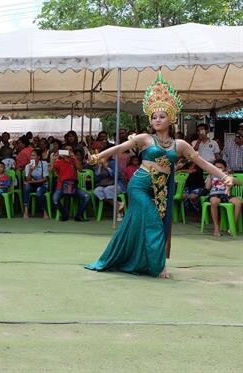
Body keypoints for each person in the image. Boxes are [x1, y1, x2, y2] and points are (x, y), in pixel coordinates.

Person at [85, 73, 235, 278]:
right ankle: (157, 266)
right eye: (154, 117)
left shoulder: (179, 145)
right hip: (139, 185)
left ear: (171, 118)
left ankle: (151, 263)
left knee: (151, 224)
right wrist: (97, 157)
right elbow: (120, 147)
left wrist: (224, 175)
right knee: (154, 222)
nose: (157, 120)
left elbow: (202, 163)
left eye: (162, 116)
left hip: (161, 190)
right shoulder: (145, 138)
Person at [205, 159, 242, 237]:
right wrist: (209, 175)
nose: (218, 169)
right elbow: (207, 187)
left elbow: (239, 182)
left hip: (226, 195)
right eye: (216, 167)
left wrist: (231, 178)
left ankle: (232, 226)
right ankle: (216, 227)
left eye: (220, 167)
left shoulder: (227, 175)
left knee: (238, 202)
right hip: (215, 194)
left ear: (224, 167)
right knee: (214, 202)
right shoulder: (211, 175)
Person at [22, 149, 49, 218]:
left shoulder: (44, 164)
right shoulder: (28, 166)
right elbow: (27, 179)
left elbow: (45, 179)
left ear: (39, 157)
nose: (31, 157)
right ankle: (26, 211)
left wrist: (34, 181)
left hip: (42, 185)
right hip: (32, 185)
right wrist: (31, 170)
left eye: (33, 155)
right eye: (31, 155)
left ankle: (44, 211)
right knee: (26, 187)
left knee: (39, 191)